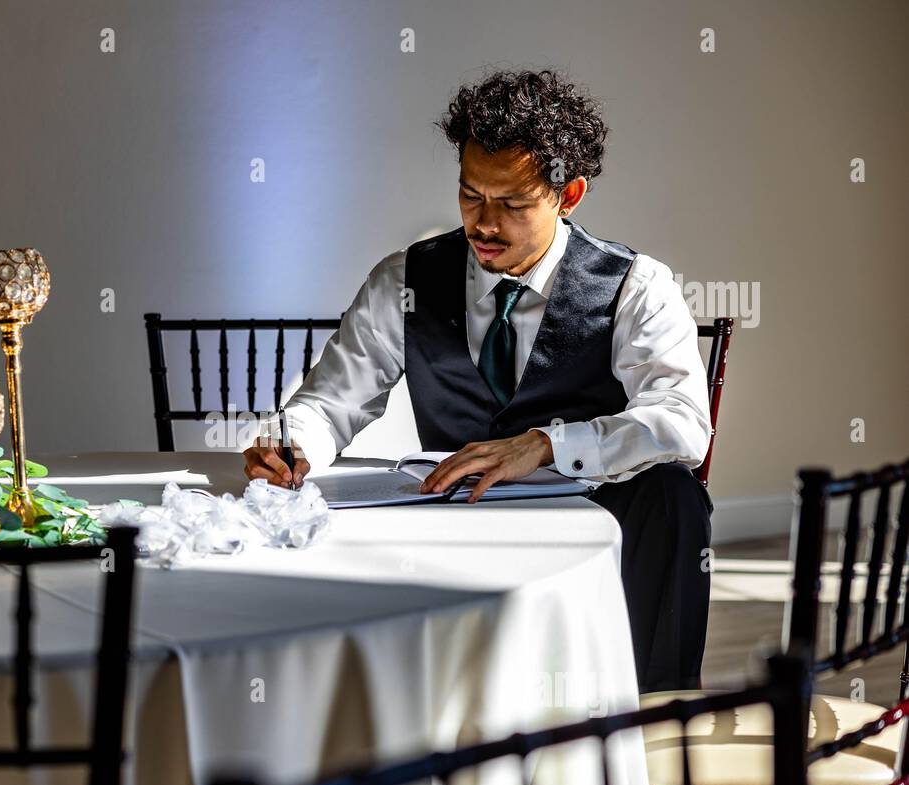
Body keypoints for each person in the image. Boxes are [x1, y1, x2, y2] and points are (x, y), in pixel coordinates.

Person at [241, 69, 713, 693]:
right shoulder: (404, 280)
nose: (483, 224)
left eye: (512, 204)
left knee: (674, 495)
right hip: (456, 520)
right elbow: (330, 402)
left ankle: (655, 729)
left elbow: (681, 421)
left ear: (568, 195)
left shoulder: (637, 284)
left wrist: (546, 444)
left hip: (592, 513)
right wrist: (293, 444)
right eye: (470, 195)